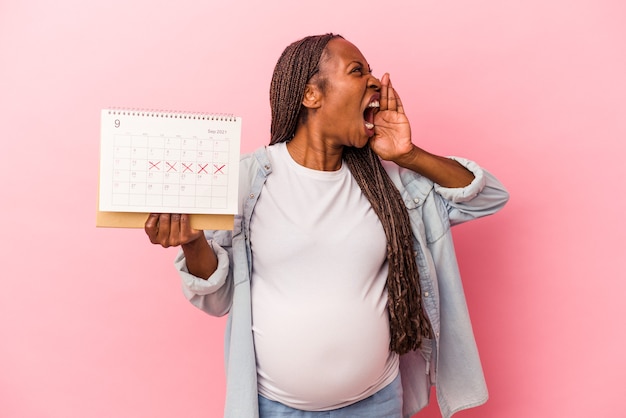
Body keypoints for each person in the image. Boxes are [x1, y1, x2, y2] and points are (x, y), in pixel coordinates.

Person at [145, 33, 509, 418]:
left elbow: (490, 197)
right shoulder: (247, 181)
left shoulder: (388, 182)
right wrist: (192, 243)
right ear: (310, 95)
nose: (375, 82)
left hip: (379, 403)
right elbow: (218, 301)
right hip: (276, 409)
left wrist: (408, 154)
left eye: (370, 71)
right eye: (357, 71)